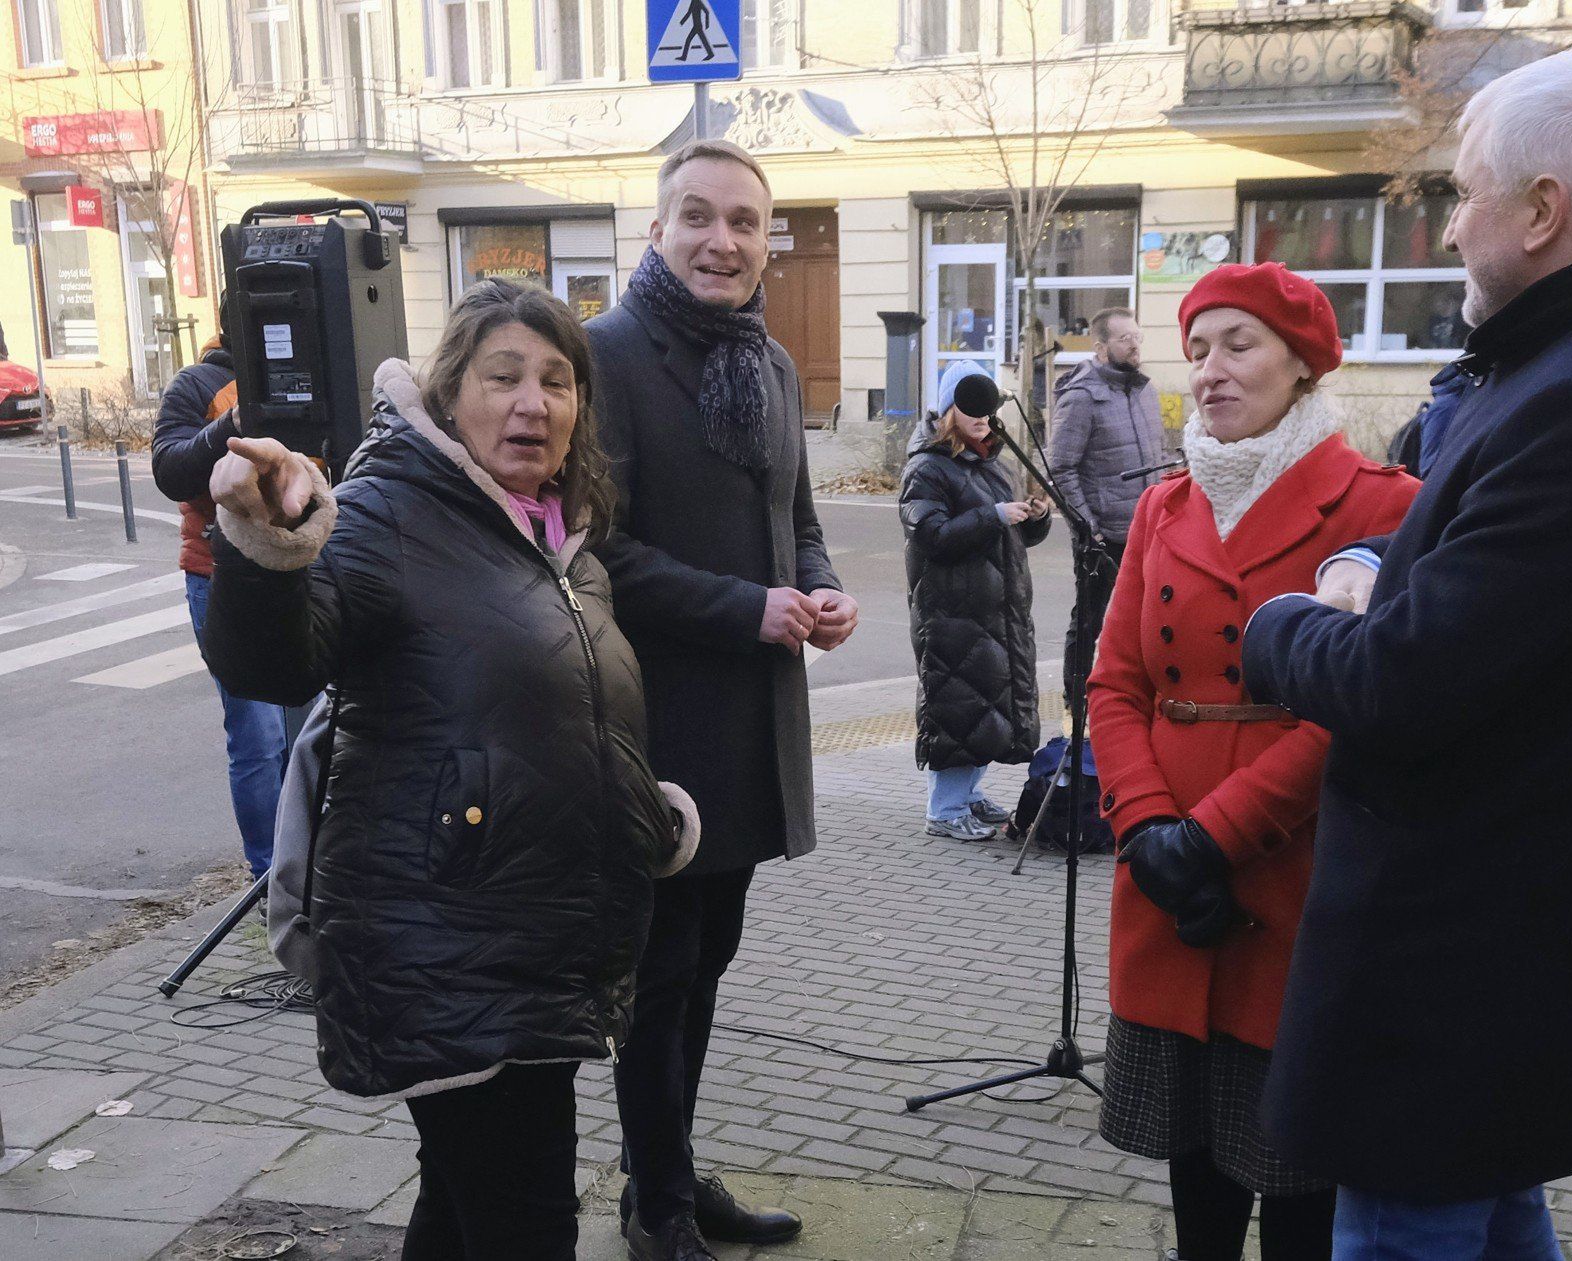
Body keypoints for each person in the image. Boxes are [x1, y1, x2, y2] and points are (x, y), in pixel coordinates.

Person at [1236, 49, 1572, 1256]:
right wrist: (1390, 578)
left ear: (1543, 209)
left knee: (1416, 1224)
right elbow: (1504, 623)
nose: (1450, 224)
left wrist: (1278, 624)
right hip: (1502, 965)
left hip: (1455, 976)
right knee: (1497, 1219)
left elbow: (1401, 685)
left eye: (1465, 194)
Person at [199, 279, 685, 1259]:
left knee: (464, 1211)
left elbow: (561, 716)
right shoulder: (389, 513)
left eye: (557, 381)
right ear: (449, 392)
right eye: (503, 376)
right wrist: (270, 548)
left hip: (527, 944)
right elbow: (275, 663)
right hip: (443, 946)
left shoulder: (567, 543)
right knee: (529, 1221)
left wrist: (643, 815)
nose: (532, 403)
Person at [1089, 263, 1418, 1261]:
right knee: (1197, 1161)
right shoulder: (1164, 509)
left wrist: (1212, 835)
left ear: (1304, 361)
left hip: (1293, 877)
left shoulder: (1383, 506)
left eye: (1240, 344)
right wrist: (1148, 830)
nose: (1212, 370)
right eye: (1197, 350)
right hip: (1168, 880)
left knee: (1297, 1178)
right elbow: (1116, 684)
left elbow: (1357, 709)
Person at [585, 139, 853, 1261]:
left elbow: (796, 520)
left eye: (744, 222)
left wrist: (823, 588)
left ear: (765, 240)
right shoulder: (604, 354)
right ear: (658, 229)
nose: (722, 240)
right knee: (661, 974)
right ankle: (655, 1206)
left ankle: (675, 1172)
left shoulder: (773, 363)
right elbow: (597, 548)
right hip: (659, 722)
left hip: (752, 726)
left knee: (711, 961)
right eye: (697, 216)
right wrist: (747, 606)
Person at [151, 324, 309, 880]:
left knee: (309, 731)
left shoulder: (319, 365)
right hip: (219, 574)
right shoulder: (198, 384)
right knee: (259, 738)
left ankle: (312, 862)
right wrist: (235, 423)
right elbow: (171, 469)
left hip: (302, 566)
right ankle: (268, 878)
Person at [902, 360, 1051, 841]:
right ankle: (944, 810)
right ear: (949, 410)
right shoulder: (927, 466)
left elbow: (1010, 539)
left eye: (988, 407)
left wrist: (1033, 517)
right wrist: (992, 516)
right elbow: (933, 536)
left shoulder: (990, 462)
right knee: (960, 709)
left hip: (997, 614)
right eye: (971, 407)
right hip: (952, 615)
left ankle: (965, 795)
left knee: (991, 710)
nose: (983, 417)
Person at [1046, 307, 1165, 704]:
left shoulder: (1144, 389)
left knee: (1147, 618)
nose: (1135, 345)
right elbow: (1060, 467)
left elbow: (1157, 457)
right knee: (1090, 619)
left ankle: (1131, 693)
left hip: (1147, 529)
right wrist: (1087, 526)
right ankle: (1075, 701)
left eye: (1137, 336)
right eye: (1124, 338)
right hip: (1103, 535)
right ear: (1101, 348)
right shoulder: (1082, 397)